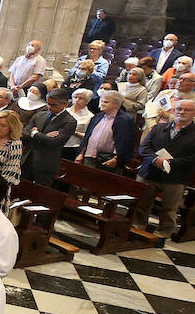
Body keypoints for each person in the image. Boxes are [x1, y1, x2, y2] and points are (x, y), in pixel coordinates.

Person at [137, 98, 195, 239]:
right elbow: (144, 148)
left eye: (187, 109)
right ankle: (138, 227)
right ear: (174, 110)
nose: (182, 112)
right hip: (150, 172)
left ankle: (163, 233)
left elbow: (193, 158)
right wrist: (155, 159)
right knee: (141, 204)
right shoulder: (159, 128)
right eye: (179, 109)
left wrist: (169, 162)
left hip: (175, 177)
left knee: (169, 209)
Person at [21, 89, 77, 187]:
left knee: (39, 196)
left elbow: (53, 142)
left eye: (53, 105)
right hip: (27, 160)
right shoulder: (40, 115)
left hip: (45, 164)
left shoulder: (70, 121)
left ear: (65, 104)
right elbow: (24, 134)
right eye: (48, 103)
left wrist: (35, 133)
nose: (49, 107)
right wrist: (43, 136)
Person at [79, 90, 135, 172]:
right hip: (89, 157)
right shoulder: (97, 117)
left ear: (116, 104)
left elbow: (125, 142)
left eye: (106, 102)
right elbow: (87, 137)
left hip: (108, 161)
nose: (102, 104)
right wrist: (81, 154)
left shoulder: (124, 120)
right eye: (101, 101)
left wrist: (117, 159)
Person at [62, 88, 94, 161]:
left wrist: (74, 132)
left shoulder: (90, 116)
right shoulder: (65, 111)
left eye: (81, 98)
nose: (77, 100)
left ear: (87, 101)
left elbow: (88, 136)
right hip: (59, 143)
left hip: (74, 147)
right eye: (75, 97)